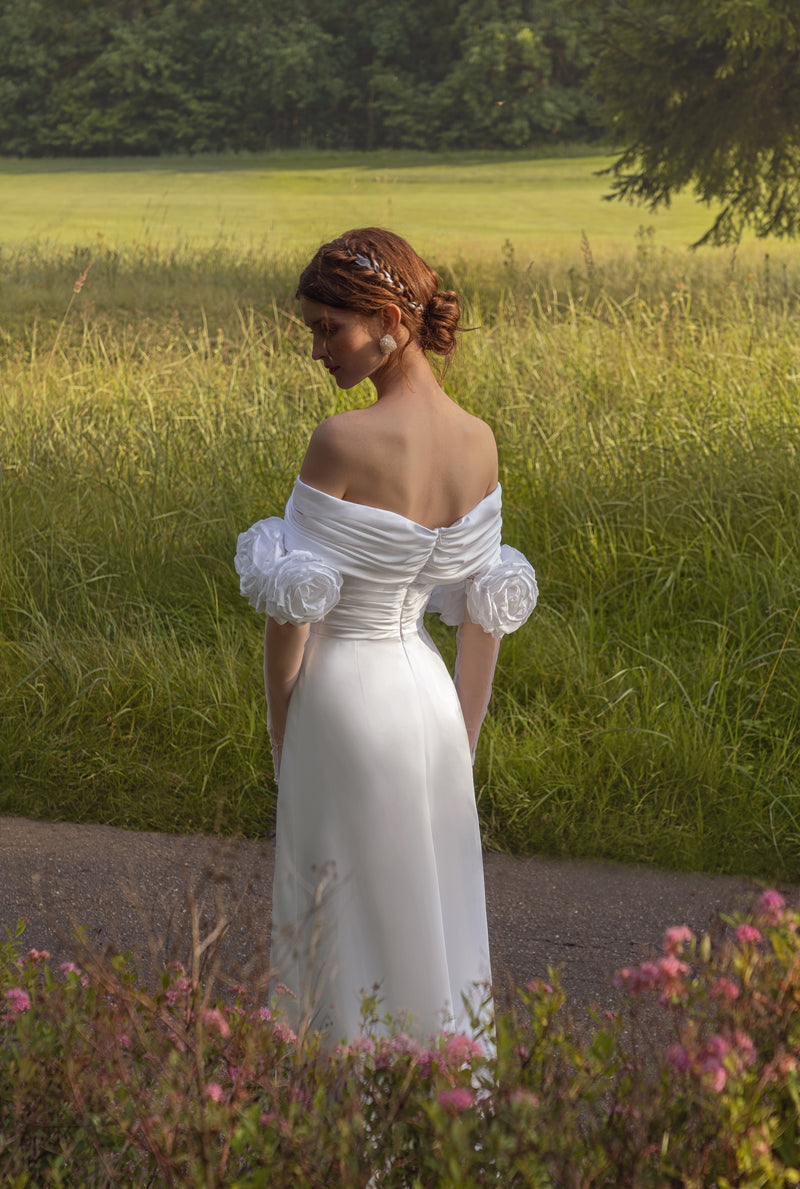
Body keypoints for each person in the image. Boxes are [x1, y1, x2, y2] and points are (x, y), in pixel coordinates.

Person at [235, 228, 537, 1043]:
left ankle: (339, 1127)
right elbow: (486, 611)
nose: (317, 349)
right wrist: (460, 743)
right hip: (430, 701)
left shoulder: (341, 441)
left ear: (388, 319)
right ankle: (434, 1116)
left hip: (343, 700)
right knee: (426, 905)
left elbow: (295, 605)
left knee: (339, 915)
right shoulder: (479, 442)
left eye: (328, 328)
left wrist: (283, 729)